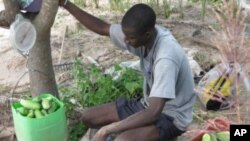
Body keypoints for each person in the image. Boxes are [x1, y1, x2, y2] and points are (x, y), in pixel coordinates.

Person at [59, 1, 196, 141]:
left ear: (147, 35)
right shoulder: (137, 33)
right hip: (147, 105)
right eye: (125, 35)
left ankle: (156, 135)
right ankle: (138, 130)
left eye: (130, 38)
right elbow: (102, 28)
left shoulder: (166, 57)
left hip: (172, 117)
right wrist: (65, 3)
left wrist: (110, 128)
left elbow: (154, 112)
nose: (125, 40)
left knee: (122, 140)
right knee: (89, 117)